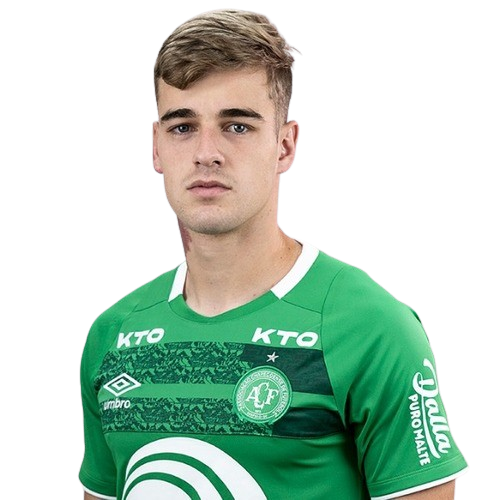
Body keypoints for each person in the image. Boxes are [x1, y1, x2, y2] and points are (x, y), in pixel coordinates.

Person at [78, 8, 469, 499]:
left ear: (285, 145)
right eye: (182, 127)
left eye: (237, 126)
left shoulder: (371, 326)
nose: (206, 152)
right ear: (155, 147)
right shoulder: (113, 334)